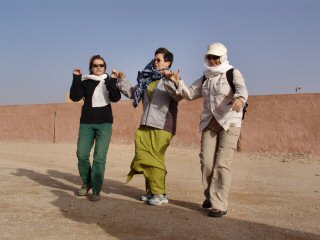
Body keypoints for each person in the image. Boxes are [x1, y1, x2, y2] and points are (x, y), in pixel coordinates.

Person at [164, 43, 248, 217]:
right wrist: (178, 82)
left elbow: (242, 90)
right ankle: (210, 196)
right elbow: (190, 94)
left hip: (230, 122)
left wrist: (240, 100)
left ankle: (220, 204)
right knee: (206, 162)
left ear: (223, 57)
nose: (213, 60)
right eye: (210, 57)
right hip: (209, 122)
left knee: (222, 164)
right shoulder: (205, 77)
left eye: (216, 57)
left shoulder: (233, 73)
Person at [115, 47, 181, 205]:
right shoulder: (148, 79)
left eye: (159, 60)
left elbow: (178, 95)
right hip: (146, 123)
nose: (155, 62)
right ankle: (151, 191)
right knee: (144, 158)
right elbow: (133, 93)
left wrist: (173, 81)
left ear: (168, 62)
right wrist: (121, 80)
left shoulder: (170, 79)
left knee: (155, 159)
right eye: (155, 59)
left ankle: (159, 194)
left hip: (162, 125)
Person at [69, 54, 121, 201]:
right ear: (91, 67)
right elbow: (75, 97)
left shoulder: (109, 81)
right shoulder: (86, 81)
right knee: (82, 154)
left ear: (105, 67)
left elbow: (116, 98)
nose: (98, 68)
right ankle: (87, 183)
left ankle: (96, 189)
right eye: (95, 65)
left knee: (99, 157)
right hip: (87, 123)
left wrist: (113, 80)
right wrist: (76, 78)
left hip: (104, 124)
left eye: (101, 65)